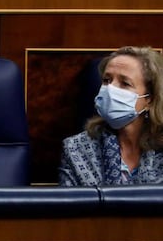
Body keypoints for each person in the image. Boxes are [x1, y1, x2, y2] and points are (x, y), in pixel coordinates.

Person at [59, 46, 163, 186]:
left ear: (149, 99)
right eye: (106, 80)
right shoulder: (76, 148)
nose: (110, 89)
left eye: (125, 83)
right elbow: (70, 206)